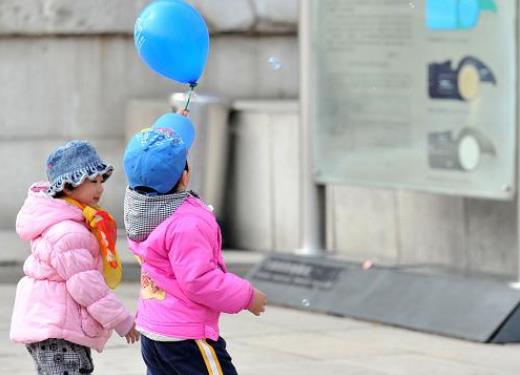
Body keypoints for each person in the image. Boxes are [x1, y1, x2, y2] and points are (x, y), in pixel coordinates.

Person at [123, 113, 267, 375]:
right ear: (185, 177)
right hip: (186, 338)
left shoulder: (141, 208)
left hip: (154, 331)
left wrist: (172, 127)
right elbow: (199, 280)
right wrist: (246, 296)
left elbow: (153, 161)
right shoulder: (188, 223)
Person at [10, 140, 140, 375]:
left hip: (56, 326)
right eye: (92, 181)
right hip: (56, 327)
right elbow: (87, 285)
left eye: (101, 181)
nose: (100, 188)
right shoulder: (68, 232)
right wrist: (121, 320)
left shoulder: (72, 222)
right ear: (68, 187)